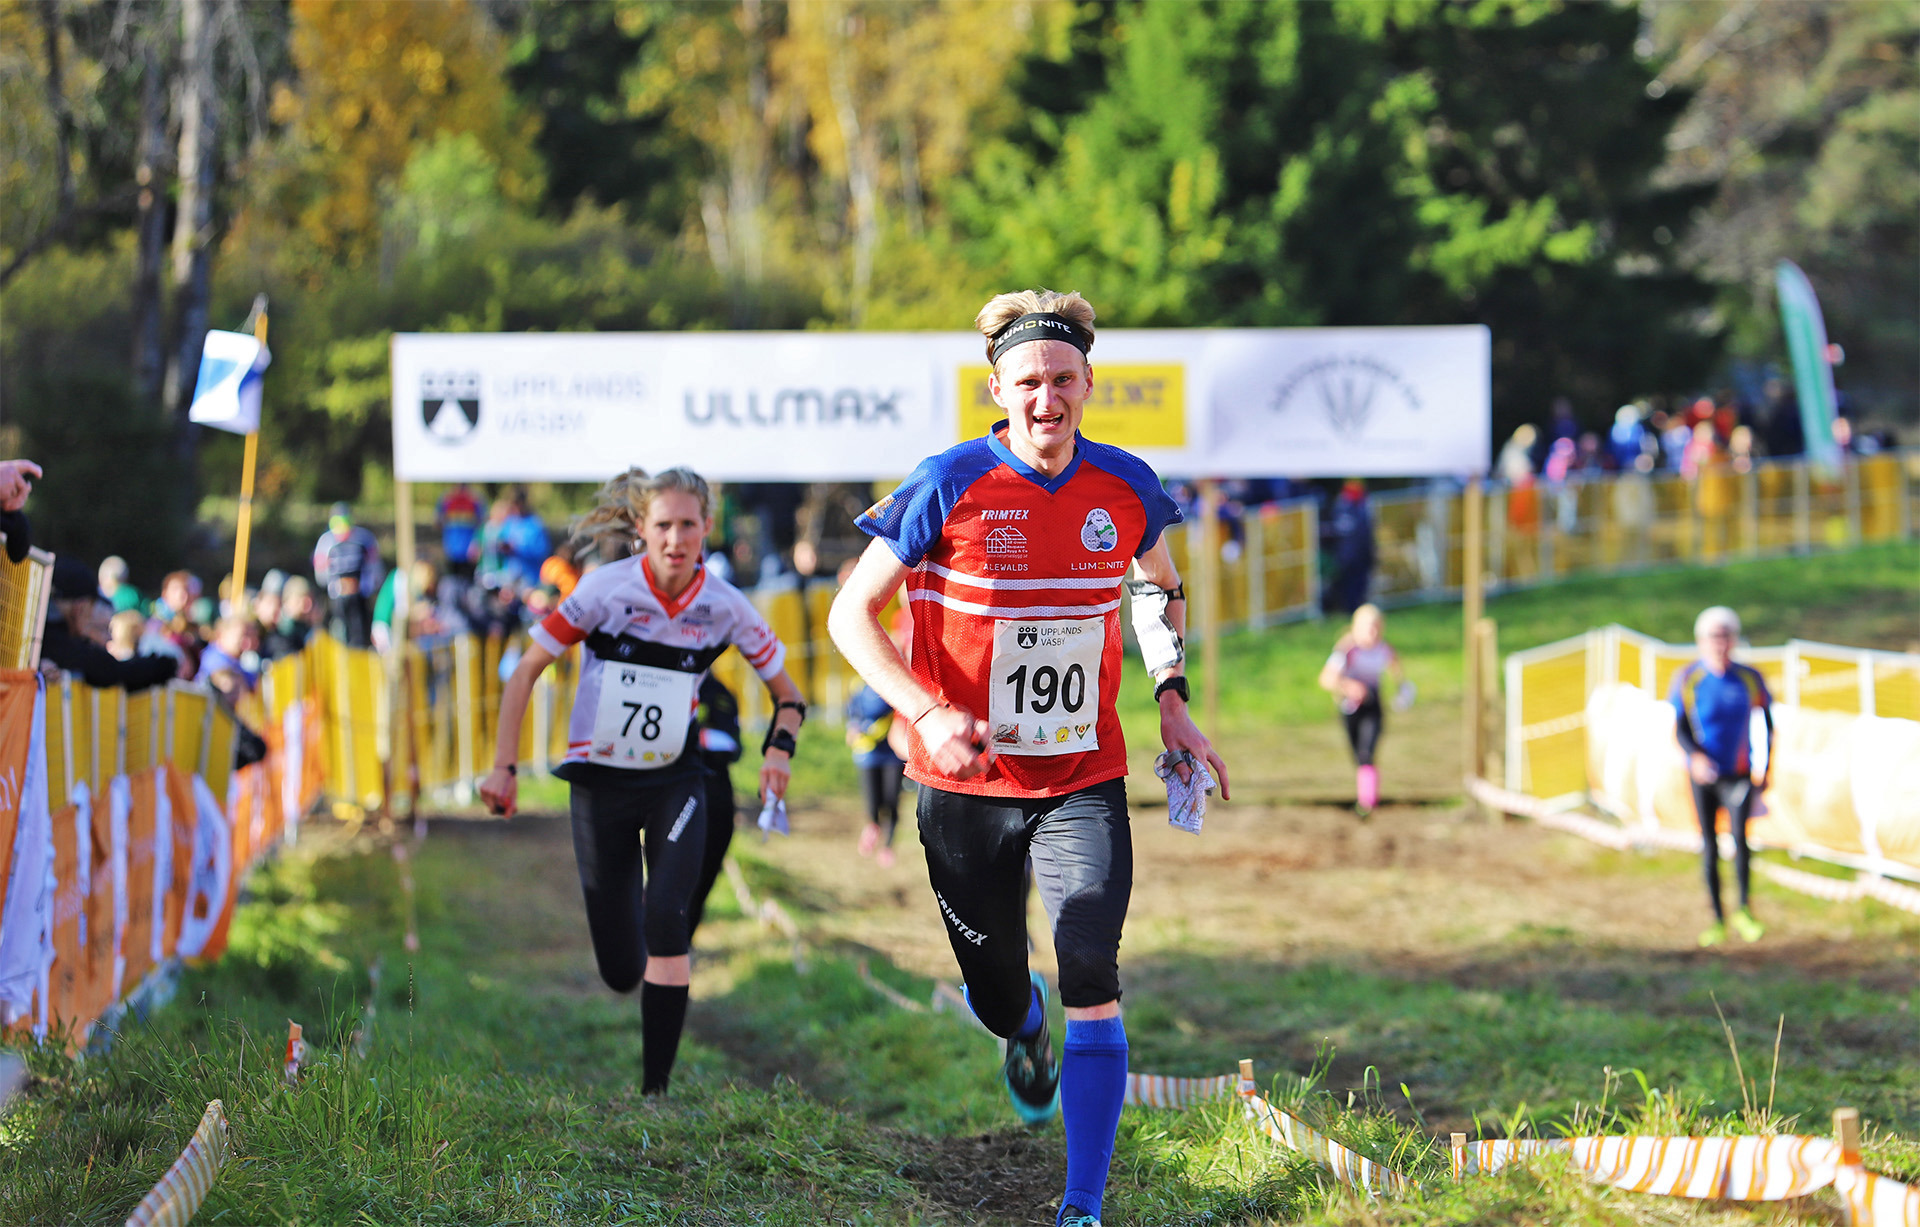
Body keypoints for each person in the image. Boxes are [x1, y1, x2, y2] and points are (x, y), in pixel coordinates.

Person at [829, 288, 1228, 1227]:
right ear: (998, 389)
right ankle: (1022, 1021)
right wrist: (926, 710)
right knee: (1000, 993)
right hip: (961, 784)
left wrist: (1170, 695)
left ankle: (1081, 1204)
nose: (1047, 397)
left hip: (1081, 774)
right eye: (1027, 382)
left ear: (1089, 381)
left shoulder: (1125, 486)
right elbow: (853, 615)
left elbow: (1157, 590)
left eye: (1062, 378)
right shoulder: (949, 480)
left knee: (1092, 952)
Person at [478, 467, 806, 1096]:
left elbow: (790, 698)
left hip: (673, 781)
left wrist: (779, 752)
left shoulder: (726, 606)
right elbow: (524, 673)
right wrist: (503, 767)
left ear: (707, 527)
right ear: (641, 529)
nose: (676, 540)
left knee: (668, 919)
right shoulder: (604, 591)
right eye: (664, 526)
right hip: (599, 784)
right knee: (620, 968)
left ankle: (655, 1092)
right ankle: (628, 932)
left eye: (689, 525)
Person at [1671, 606, 1773, 947]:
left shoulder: (1749, 678)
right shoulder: (1689, 678)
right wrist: (1696, 758)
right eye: (1713, 637)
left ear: (1734, 639)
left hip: (1740, 775)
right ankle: (1717, 919)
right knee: (1709, 846)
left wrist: (1766, 770)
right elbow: (1681, 728)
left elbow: (1766, 725)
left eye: (1725, 635)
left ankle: (1744, 910)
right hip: (1703, 777)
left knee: (1741, 841)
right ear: (1701, 641)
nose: (1720, 643)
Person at [1316, 604, 1411, 819]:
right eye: (1369, 627)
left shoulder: (1383, 649)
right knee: (1358, 755)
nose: (1373, 632)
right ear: (1356, 628)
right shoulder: (1347, 651)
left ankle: (1367, 801)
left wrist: (1403, 689)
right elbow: (1326, 679)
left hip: (1373, 704)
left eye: (1377, 627)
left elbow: (1396, 666)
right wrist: (1349, 686)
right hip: (1350, 708)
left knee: (1367, 752)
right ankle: (1366, 793)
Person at [685, 674, 744, 938]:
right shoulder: (660, 676)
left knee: (701, 883)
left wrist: (699, 739)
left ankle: (682, 947)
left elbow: (733, 747)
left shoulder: (719, 691)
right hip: (672, 795)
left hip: (716, 798)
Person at [847, 680, 906, 868]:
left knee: (891, 802)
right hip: (867, 753)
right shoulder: (858, 687)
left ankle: (888, 847)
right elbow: (852, 712)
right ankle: (873, 827)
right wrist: (852, 728)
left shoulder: (896, 682)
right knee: (873, 802)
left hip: (893, 754)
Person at [313, 502, 384, 647]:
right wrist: (337, 587)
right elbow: (320, 574)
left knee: (361, 630)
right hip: (337, 597)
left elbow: (375, 567)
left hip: (361, 596)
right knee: (339, 629)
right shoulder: (326, 542)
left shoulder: (364, 538)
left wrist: (364, 587)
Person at [437, 482, 485, 580]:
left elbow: (482, 524)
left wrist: (477, 544)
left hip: (468, 552)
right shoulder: (447, 500)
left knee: (468, 582)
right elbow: (438, 522)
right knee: (454, 581)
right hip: (452, 551)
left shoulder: (475, 500)